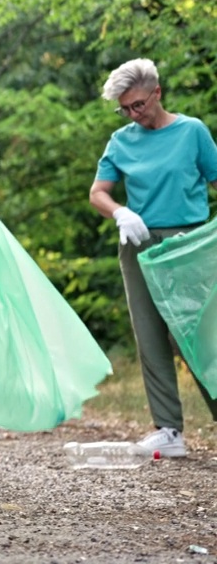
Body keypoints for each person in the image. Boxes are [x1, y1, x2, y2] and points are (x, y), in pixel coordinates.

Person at [89, 58, 217, 457]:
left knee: (199, 336)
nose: (132, 115)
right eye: (124, 108)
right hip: (138, 244)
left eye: (138, 105)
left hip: (186, 245)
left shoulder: (192, 132)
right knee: (149, 335)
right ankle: (168, 429)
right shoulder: (121, 140)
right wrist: (120, 212)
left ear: (157, 93)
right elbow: (98, 192)